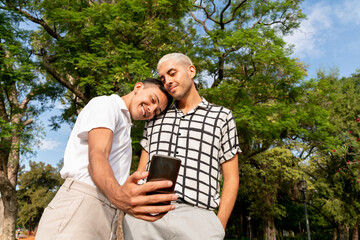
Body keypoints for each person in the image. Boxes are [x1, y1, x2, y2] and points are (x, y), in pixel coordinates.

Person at [35, 78, 176, 240]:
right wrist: (119, 196)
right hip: (81, 205)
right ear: (138, 87)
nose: (151, 110)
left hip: (109, 215)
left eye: (156, 111)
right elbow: (97, 156)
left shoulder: (125, 127)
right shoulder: (107, 105)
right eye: (152, 100)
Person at [123, 53, 240, 240]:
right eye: (163, 78)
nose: (167, 81)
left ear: (191, 71)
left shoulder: (222, 117)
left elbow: (232, 178)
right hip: (147, 216)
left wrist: (220, 225)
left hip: (200, 221)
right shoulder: (155, 116)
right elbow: (142, 168)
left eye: (172, 73)